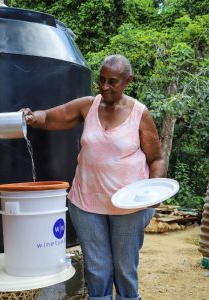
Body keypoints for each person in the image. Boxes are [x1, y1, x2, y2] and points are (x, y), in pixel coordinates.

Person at [22, 54, 165, 300]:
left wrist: (153, 192)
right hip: (87, 204)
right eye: (101, 80)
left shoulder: (140, 114)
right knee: (97, 269)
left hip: (128, 207)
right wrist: (34, 117)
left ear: (128, 81)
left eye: (113, 81)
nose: (104, 86)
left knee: (124, 268)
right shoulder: (88, 105)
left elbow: (157, 158)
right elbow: (52, 117)